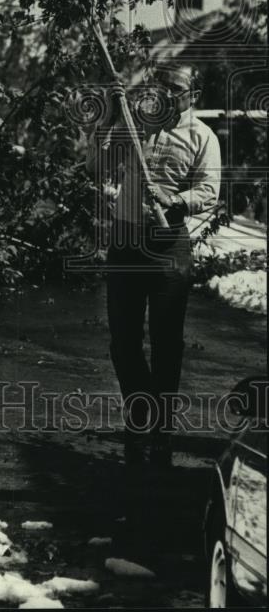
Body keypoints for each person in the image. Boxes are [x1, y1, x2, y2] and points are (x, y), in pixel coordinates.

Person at [86, 62, 221, 466]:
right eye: (159, 85)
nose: (163, 93)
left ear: (192, 96)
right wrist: (108, 123)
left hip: (168, 246)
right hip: (125, 242)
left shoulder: (203, 137)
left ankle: (160, 429)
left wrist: (175, 201)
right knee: (123, 340)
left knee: (167, 343)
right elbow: (98, 167)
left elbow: (209, 190)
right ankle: (140, 408)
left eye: (174, 88)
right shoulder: (134, 125)